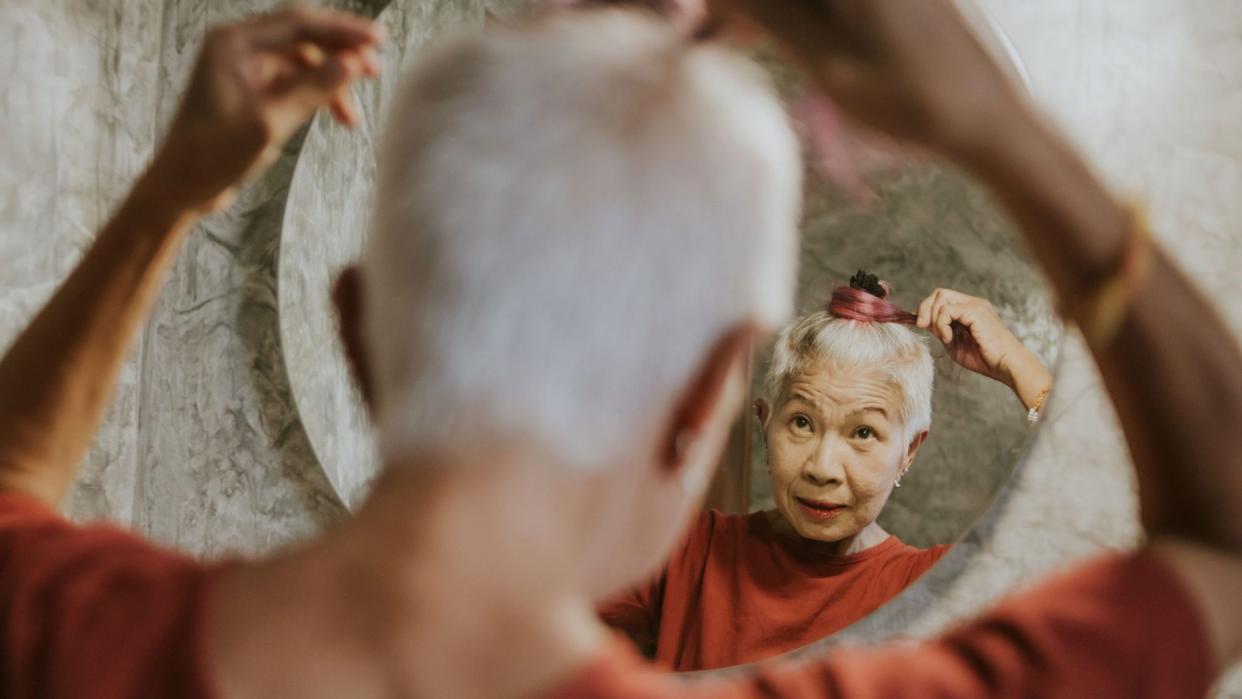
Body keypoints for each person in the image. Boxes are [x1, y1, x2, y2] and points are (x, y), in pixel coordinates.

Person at [0, 5, 1238, 699]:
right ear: (723, 402)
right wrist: (997, 131)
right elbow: (1223, 541)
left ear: (357, 330)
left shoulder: (67, 633)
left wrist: (173, 189)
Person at [601, 273, 1053, 670]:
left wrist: (1016, 362)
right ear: (765, 423)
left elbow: (1101, 551)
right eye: (801, 423)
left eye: (862, 433)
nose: (822, 468)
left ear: (909, 450)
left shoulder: (932, 587)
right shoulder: (681, 552)